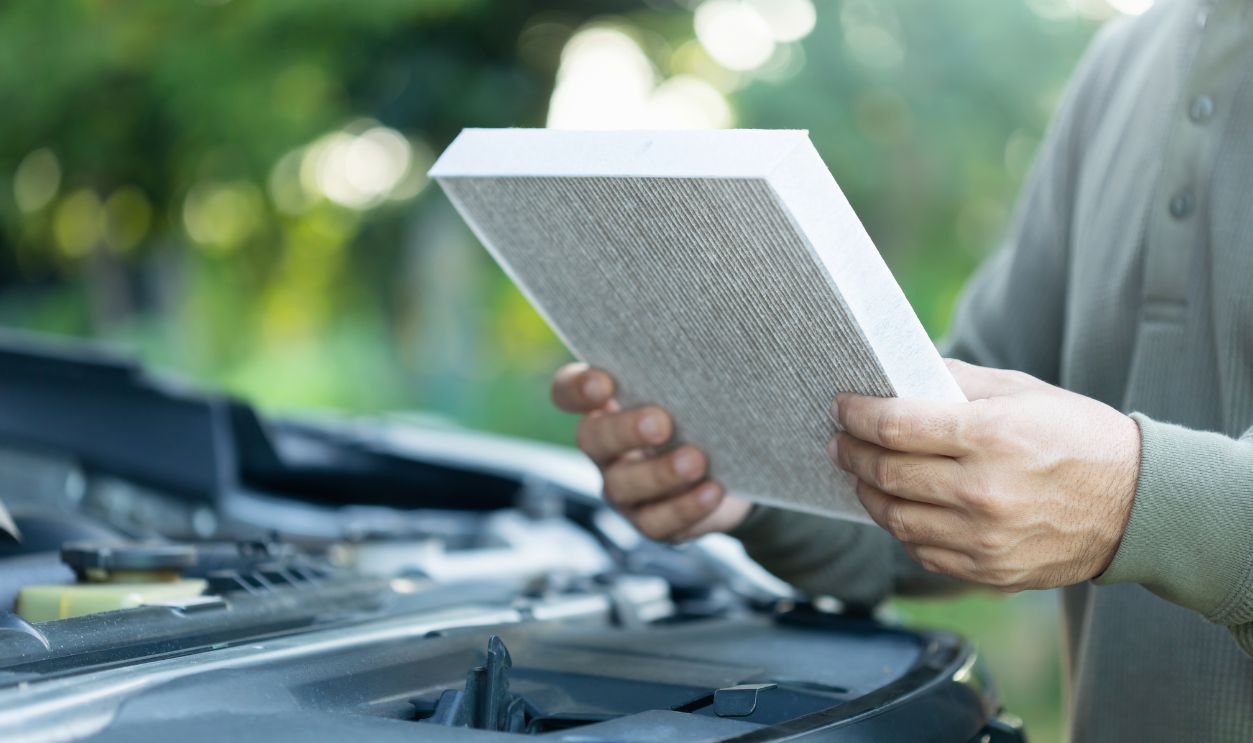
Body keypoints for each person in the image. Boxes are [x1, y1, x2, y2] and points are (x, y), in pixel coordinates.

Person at [549, 1, 1253, 740]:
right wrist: (742, 473)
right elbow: (957, 463)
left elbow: (1116, 498)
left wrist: (1133, 503)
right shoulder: (1125, 63)